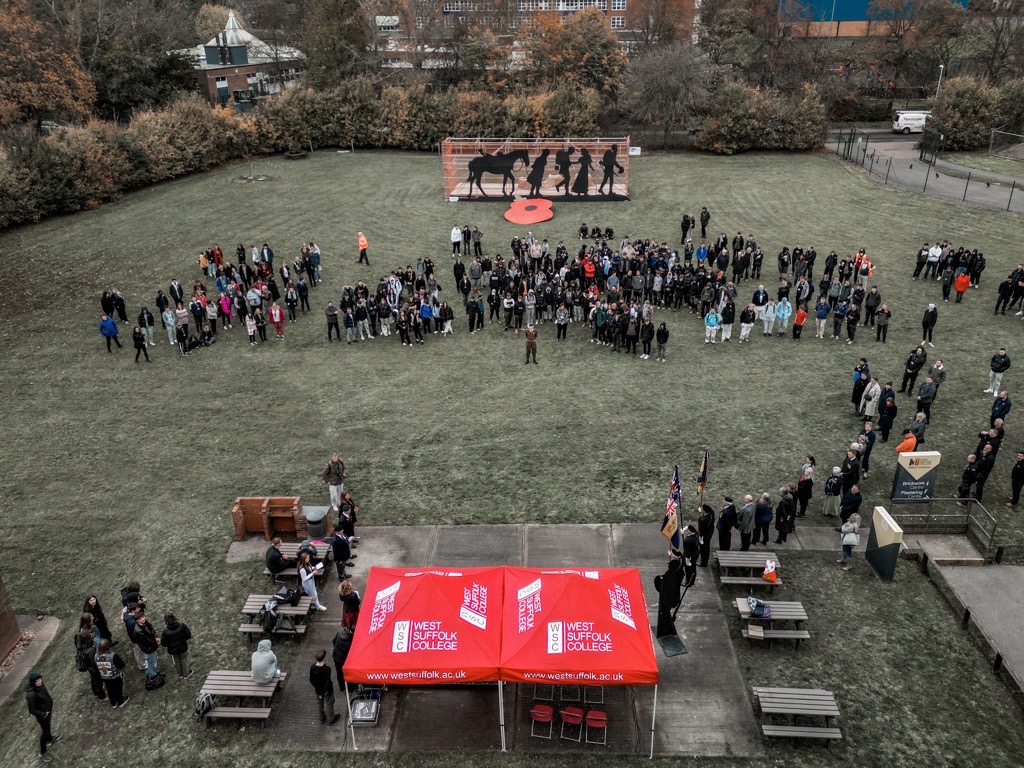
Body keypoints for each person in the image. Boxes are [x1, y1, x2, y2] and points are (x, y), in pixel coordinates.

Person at [26, 672, 61, 763]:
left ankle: (50, 739)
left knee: (47, 728)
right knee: (45, 732)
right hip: (43, 715)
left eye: (40, 679)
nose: (40, 682)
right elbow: (31, 710)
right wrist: (42, 714)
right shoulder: (31, 695)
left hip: (47, 711)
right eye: (37, 681)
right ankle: (43, 751)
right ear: (33, 682)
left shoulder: (40, 685)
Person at [655, 552, 685, 638]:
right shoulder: (676, 574)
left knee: (665, 614)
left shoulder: (673, 578)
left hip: (669, 598)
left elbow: (671, 592)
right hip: (669, 597)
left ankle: (666, 627)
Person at [93, 640, 128, 708]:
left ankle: (113, 703)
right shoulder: (113, 656)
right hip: (115, 676)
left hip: (104, 676)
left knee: (109, 688)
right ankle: (120, 701)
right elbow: (121, 665)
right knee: (118, 687)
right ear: (108, 647)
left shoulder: (95, 656)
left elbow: (96, 666)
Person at [132, 610, 162, 689]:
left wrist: (155, 637)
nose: (143, 619)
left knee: (154, 660)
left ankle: (155, 673)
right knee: (151, 662)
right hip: (149, 649)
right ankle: (153, 675)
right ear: (137, 620)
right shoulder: (138, 631)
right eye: (141, 618)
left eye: (143, 617)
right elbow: (147, 640)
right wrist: (156, 643)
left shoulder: (145, 623)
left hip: (152, 647)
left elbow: (152, 630)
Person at [310, 648, 341, 725]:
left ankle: (321, 718)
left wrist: (320, 692)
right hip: (327, 691)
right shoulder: (327, 669)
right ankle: (331, 718)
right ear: (324, 657)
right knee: (329, 703)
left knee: (320, 704)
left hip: (318, 691)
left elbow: (312, 680)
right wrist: (324, 692)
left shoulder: (312, 668)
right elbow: (327, 682)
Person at [75, 628, 106, 702]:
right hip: (94, 668)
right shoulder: (91, 650)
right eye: (90, 635)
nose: (92, 635)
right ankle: (102, 696)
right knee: (98, 681)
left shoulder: (80, 646)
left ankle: (96, 692)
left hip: (89, 667)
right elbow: (94, 661)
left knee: (94, 679)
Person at [161, 613, 193, 679]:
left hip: (173, 650)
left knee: (177, 661)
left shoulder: (165, 631)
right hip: (182, 647)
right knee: (183, 660)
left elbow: (163, 643)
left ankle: (180, 674)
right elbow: (188, 635)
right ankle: (186, 674)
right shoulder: (182, 626)